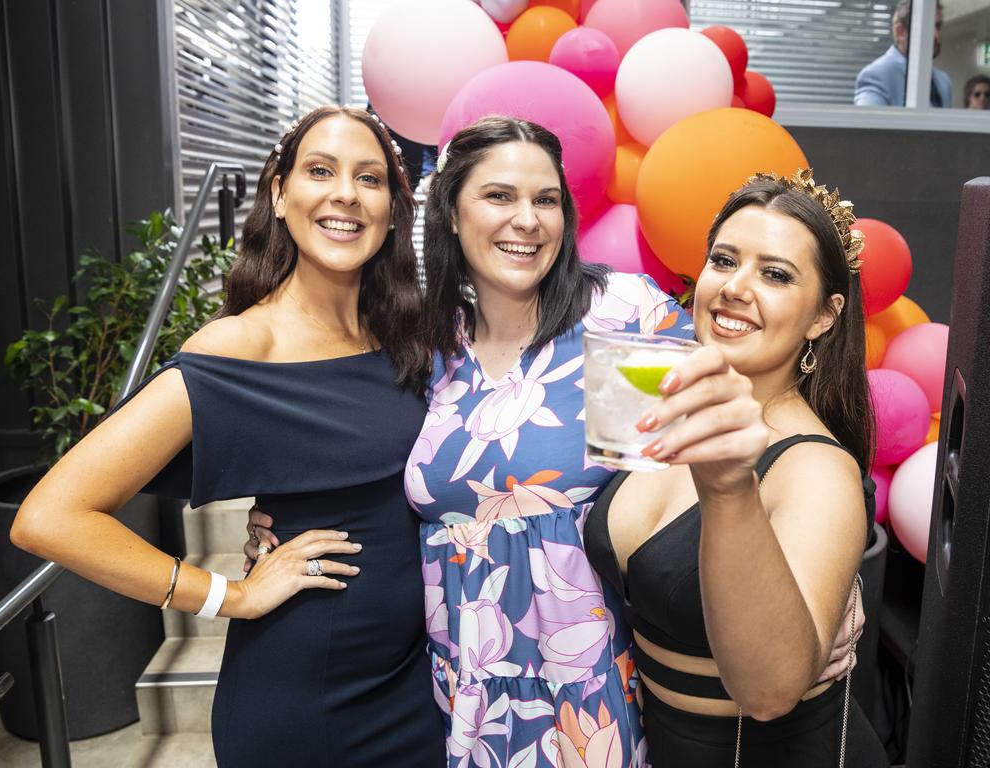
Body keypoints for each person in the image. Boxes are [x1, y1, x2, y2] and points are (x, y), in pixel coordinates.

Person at [247, 118, 865, 767]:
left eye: (546, 200)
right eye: (499, 197)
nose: (528, 220)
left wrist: (820, 538)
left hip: (588, 695)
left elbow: (745, 369)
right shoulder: (430, 348)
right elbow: (391, 470)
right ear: (452, 214)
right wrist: (291, 515)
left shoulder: (622, 317)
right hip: (458, 688)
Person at [9, 105, 445, 767]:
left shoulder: (401, 336)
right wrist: (228, 594)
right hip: (306, 701)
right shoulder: (241, 346)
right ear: (280, 192)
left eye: (370, 179)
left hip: (414, 684)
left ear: (392, 208)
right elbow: (50, 516)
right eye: (320, 171)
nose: (346, 195)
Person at [583, 170, 889, 766]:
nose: (735, 287)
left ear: (824, 317)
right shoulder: (663, 400)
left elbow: (771, 692)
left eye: (775, 274)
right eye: (725, 261)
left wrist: (730, 491)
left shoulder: (815, 469)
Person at [855, 0, 952, 107]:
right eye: (926, 26)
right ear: (900, 32)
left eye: (938, 26)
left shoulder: (943, 81)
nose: (936, 35)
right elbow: (869, 122)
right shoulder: (877, 75)